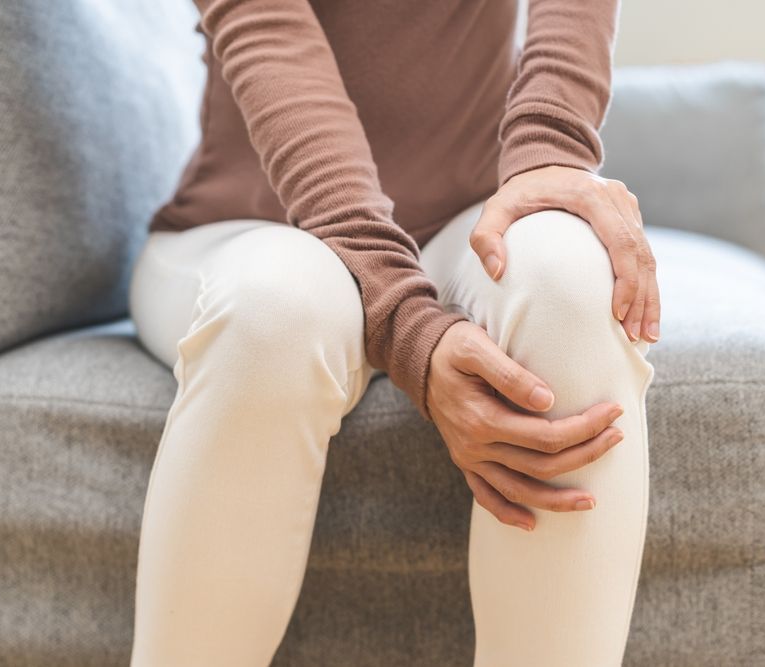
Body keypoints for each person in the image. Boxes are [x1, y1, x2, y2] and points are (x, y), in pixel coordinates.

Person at [127, 0, 659, 664]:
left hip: (463, 222)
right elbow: (266, 30)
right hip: (251, 223)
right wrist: (408, 326)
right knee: (277, 311)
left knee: (570, 282)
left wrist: (551, 155)